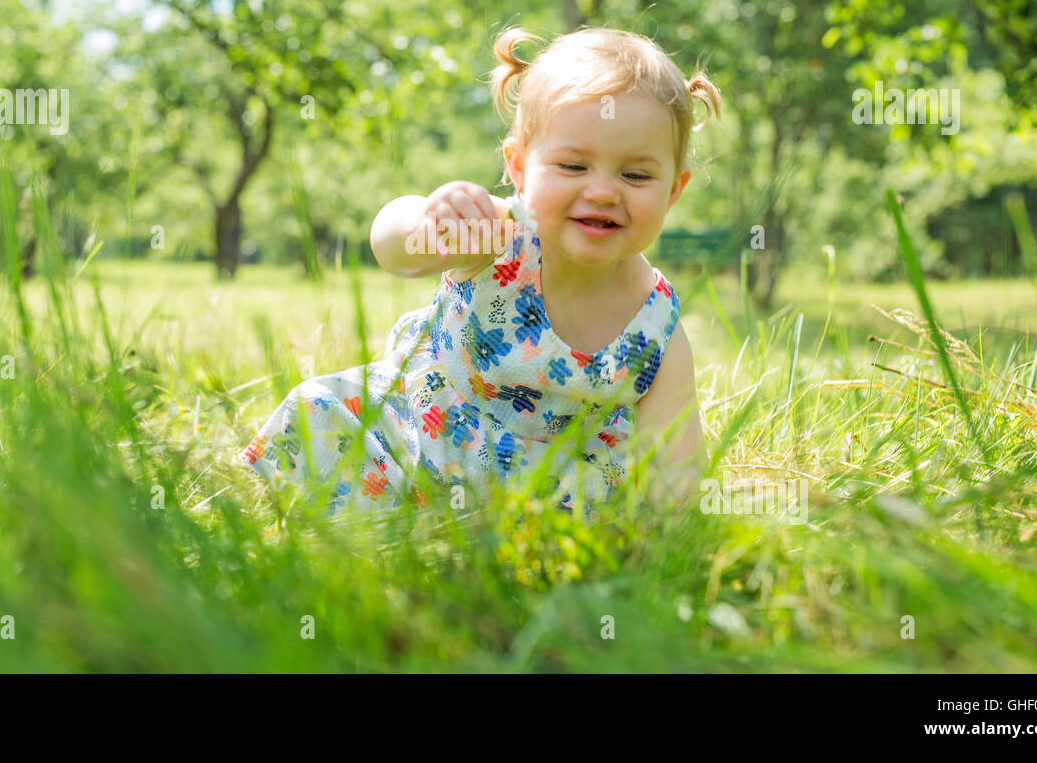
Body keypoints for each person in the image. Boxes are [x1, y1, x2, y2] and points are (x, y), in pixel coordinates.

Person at [239, 26, 721, 525]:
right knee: (323, 415)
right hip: (421, 440)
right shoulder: (497, 234)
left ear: (673, 190)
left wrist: (667, 533)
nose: (602, 192)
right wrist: (429, 223)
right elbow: (390, 246)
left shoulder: (655, 323)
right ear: (518, 167)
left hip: (552, 497)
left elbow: (677, 466)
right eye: (574, 166)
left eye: (636, 175)